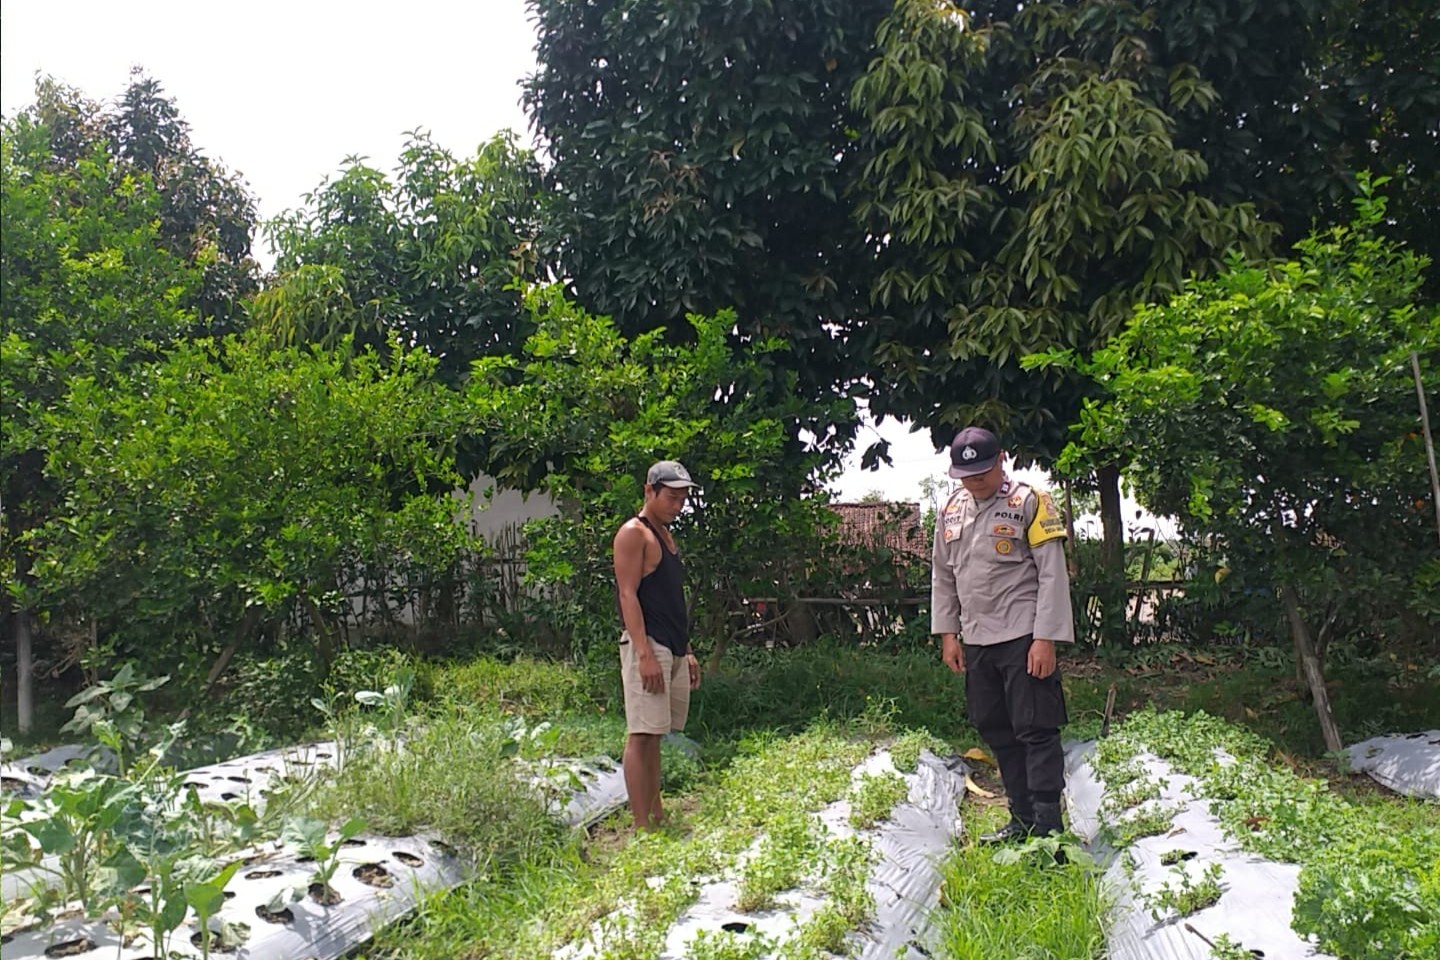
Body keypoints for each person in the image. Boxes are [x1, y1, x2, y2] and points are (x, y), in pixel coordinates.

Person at [931, 426, 1073, 841]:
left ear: (1001, 460)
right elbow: (942, 575)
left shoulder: (1029, 502)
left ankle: (1049, 830)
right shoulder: (952, 510)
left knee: (1036, 728)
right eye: (965, 474)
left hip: (1023, 636)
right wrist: (948, 634)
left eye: (981, 472)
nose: (973, 481)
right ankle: (1022, 818)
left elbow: (1051, 575)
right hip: (976, 639)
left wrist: (1045, 638)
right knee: (995, 727)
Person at [612, 460, 703, 830]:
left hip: (672, 645)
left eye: (682, 499)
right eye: (671, 497)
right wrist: (644, 653)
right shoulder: (634, 533)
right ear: (649, 490)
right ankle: (640, 824)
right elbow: (627, 594)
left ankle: (656, 810)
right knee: (641, 733)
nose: (677, 505)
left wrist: (688, 649)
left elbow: (670, 600)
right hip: (647, 645)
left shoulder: (666, 536)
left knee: (656, 734)